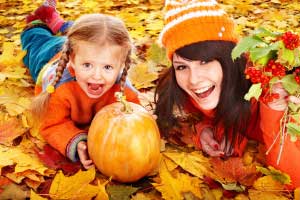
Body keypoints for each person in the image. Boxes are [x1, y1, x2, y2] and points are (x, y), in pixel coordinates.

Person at [155, 0, 300, 188]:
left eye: (205, 61)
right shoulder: (187, 90)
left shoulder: (273, 85)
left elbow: (295, 180)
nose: (193, 79)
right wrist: (203, 129)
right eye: (182, 66)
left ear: (227, 57)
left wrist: (275, 112)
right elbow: (186, 119)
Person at [21, 1, 140, 169]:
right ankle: (37, 22)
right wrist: (76, 142)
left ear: (121, 66)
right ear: (72, 61)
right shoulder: (60, 88)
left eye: (107, 67)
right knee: (35, 42)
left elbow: (134, 113)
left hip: (79, 48)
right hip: (47, 56)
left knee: (85, 39)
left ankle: (59, 23)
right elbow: (52, 124)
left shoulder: (121, 87)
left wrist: (147, 121)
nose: (97, 75)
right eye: (87, 65)